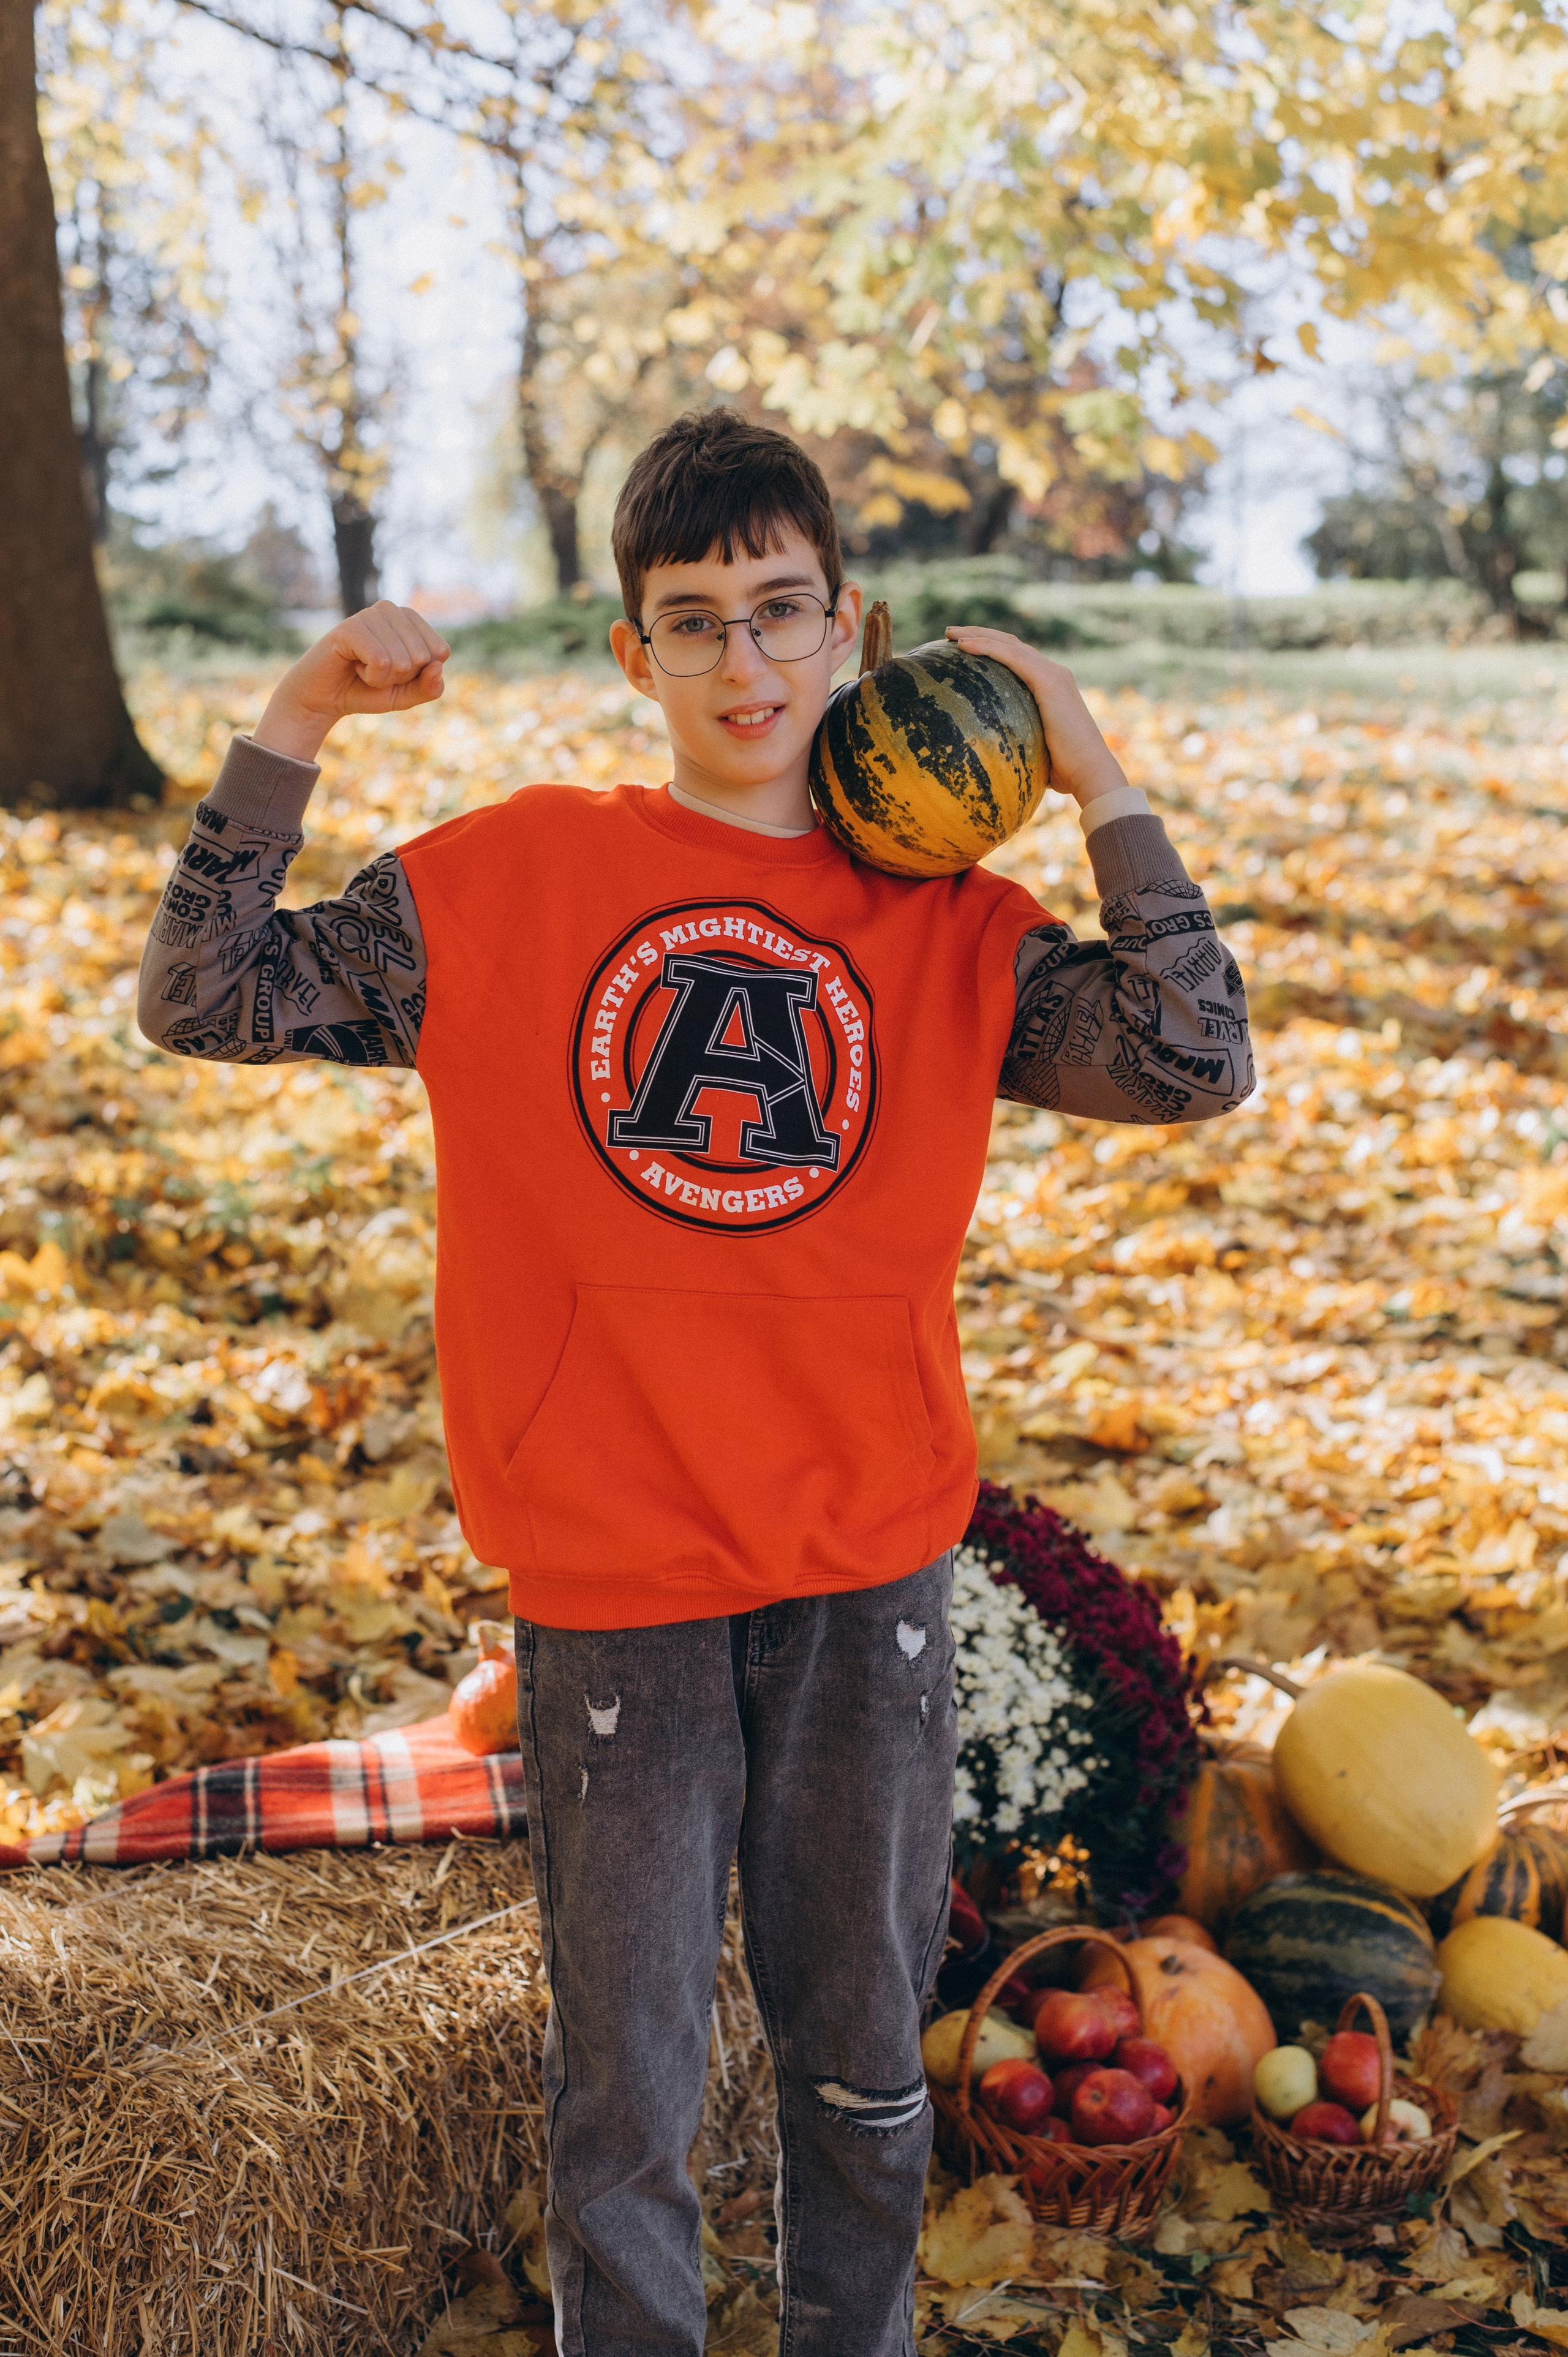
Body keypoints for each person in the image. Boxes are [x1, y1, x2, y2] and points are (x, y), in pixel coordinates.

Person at [137, 409, 1252, 2357]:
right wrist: (303, 709)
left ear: (855, 628)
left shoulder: (959, 931)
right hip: (614, 1572)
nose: (747, 665)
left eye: (783, 613)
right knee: (627, 2090)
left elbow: (1190, 1058)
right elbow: (203, 991)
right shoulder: (511, 882)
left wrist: (1084, 764)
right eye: (697, 622)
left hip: (865, 1567)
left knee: (858, 2065)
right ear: (631, 657)